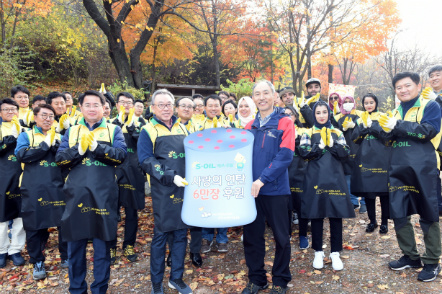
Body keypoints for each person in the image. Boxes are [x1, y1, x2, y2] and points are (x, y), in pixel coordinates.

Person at [56, 90, 127, 294]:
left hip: (103, 196)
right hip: (76, 196)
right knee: (75, 248)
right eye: (87, 105)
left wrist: (98, 148)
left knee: (102, 247)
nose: (92, 108)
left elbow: (121, 156)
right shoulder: (71, 132)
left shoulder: (114, 130)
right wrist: (77, 151)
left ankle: (99, 288)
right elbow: (60, 160)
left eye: (96, 104)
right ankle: (77, 288)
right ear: (81, 107)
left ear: (104, 108)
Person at [379, 72, 441, 282]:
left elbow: (427, 131)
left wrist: (398, 126)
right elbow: (388, 140)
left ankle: (432, 261)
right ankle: (410, 256)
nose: (403, 90)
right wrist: (385, 130)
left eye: (407, 86)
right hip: (398, 169)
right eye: (399, 87)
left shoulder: (429, 106)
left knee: (428, 213)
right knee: (399, 212)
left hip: (424, 169)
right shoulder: (395, 111)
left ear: (417, 85)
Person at [138, 89, 192, 294]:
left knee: (180, 233)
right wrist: (170, 176)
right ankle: (156, 282)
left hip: (185, 188)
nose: (166, 108)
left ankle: (176, 277)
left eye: (169, 104)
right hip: (163, 190)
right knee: (161, 236)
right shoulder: (148, 130)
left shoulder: (183, 127)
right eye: (161, 104)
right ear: (152, 108)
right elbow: (146, 160)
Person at [242, 80, 295, 294]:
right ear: (253, 98)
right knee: (252, 237)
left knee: (282, 238)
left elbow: (285, 156)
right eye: (257, 93)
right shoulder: (248, 127)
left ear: (275, 96)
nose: (262, 97)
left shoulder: (285, 122)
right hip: (251, 193)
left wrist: (262, 179)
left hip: (275, 190)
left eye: (266, 93)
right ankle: (257, 279)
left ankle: (280, 281)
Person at [298, 100, 355, 271]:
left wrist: (333, 145)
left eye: (325, 112)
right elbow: (304, 152)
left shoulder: (337, 132)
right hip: (315, 179)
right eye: (318, 113)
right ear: (314, 115)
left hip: (335, 178)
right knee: (316, 214)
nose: (322, 115)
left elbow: (345, 152)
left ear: (329, 113)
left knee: (336, 215)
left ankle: (335, 252)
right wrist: (319, 147)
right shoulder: (308, 132)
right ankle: (318, 251)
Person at [15, 104, 68, 280]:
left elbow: (68, 160)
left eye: (51, 116)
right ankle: (37, 260)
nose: (47, 119)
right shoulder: (26, 135)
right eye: (44, 115)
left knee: (64, 222)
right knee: (34, 225)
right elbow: (22, 156)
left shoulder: (60, 136)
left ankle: (66, 255)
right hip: (33, 187)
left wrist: (59, 150)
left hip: (57, 186)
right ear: (35, 117)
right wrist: (44, 146)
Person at [109, 92, 146, 264]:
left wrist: (135, 132)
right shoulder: (109, 124)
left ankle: (128, 245)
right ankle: (110, 246)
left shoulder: (142, 124)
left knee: (131, 212)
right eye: (122, 102)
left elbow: (146, 147)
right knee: (110, 212)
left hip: (133, 172)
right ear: (116, 105)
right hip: (112, 172)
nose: (126, 105)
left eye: (129, 103)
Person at [351, 93, 390, 233]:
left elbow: (387, 136)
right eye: (366, 103)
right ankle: (372, 221)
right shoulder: (360, 119)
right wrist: (363, 127)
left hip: (381, 158)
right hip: (365, 159)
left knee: (384, 193)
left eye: (371, 102)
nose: (369, 105)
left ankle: (385, 222)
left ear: (376, 103)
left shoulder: (382, 117)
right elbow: (354, 138)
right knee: (369, 193)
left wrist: (372, 127)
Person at [173, 96, 203, 268]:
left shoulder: (198, 128)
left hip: (196, 177)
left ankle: (195, 251)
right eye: (183, 105)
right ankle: (175, 252)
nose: (186, 108)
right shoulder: (171, 127)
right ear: (177, 108)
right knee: (175, 216)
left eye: (190, 106)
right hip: (175, 177)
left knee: (196, 218)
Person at [0, 98, 25, 268]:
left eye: (13, 109)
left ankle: (15, 249)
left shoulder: (24, 129)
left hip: (22, 178)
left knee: (20, 216)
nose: (11, 112)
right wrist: (4, 145)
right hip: (2, 178)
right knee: (2, 216)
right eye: (6, 110)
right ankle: (2, 250)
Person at [333, 95, 366, 213]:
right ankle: (353, 201)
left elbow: (364, 130)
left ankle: (364, 203)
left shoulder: (359, 116)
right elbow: (335, 132)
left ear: (353, 103)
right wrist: (343, 129)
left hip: (359, 150)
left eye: (349, 102)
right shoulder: (338, 118)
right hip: (345, 152)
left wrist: (355, 126)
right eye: (345, 102)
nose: (347, 104)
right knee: (348, 177)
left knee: (361, 177)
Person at [284, 105, 309, 249]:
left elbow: (305, 151)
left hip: (300, 173)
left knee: (301, 206)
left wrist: (295, 140)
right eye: (285, 114)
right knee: (285, 206)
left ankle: (303, 235)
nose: (288, 116)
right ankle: (286, 234)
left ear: (296, 116)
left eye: (291, 114)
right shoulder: (278, 132)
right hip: (283, 174)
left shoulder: (303, 132)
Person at [427, 65, 442, 215]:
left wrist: (438, 99)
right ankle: (437, 206)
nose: (434, 78)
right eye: (431, 76)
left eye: (437, 74)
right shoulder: (426, 96)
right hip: (433, 142)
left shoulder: (435, 97)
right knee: (434, 176)